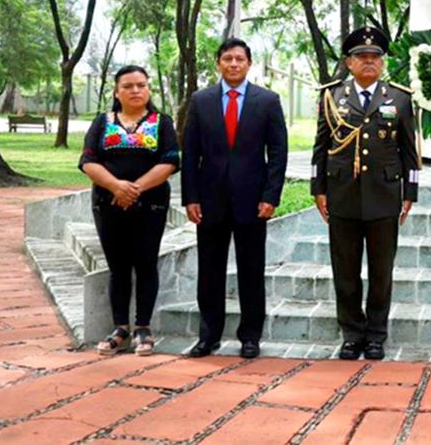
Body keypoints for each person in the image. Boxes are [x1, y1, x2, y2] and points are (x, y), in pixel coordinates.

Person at [312, 26, 419, 361]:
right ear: (349, 62)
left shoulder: (399, 98)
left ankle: (376, 335)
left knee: (380, 271)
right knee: (345, 270)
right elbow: (320, 148)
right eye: (362, 57)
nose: (369, 62)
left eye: (375, 57)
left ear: (383, 63)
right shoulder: (331, 96)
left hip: (384, 195)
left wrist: (409, 192)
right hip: (342, 193)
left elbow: (409, 151)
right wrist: (318, 189)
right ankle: (351, 333)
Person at [182, 38, 288, 359]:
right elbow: (191, 153)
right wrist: (191, 198)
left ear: (249, 63)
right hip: (210, 201)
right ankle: (209, 335)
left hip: (253, 201)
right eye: (227, 58)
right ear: (218, 63)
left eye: (239, 59)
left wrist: (271, 197)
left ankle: (250, 336)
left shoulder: (267, 101)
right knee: (209, 271)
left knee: (251, 270)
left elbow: (278, 152)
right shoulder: (200, 101)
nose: (233, 64)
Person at [79, 65, 180, 355]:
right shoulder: (102, 122)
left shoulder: (162, 122)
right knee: (118, 266)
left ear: (148, 89)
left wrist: (133, 189)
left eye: (141, 85)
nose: (136, 91)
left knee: (146, 263)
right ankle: (120, 327)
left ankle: (143, 327)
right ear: (116, 91)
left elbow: (171, 160)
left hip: (151, 204)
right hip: (108, 205)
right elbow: (88, 160)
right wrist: (115, 187)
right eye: (128, 86)